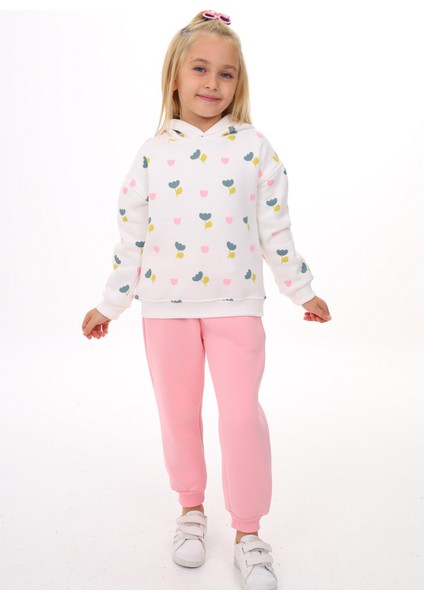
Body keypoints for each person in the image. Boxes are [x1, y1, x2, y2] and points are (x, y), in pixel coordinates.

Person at [82, 9, 331, 590]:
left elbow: (275, 230)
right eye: (200, 69)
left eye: (226, 73)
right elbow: (131, 237)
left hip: (236, 306)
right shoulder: (151, 153)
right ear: (174, 75)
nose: (212, 83)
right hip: (163, 311)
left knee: (241, 416)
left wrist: (301, 289)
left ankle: (249, 533)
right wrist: (111, 304)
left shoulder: (255, 148)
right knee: (178, 414)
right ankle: (191, 510)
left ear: (238, 83)